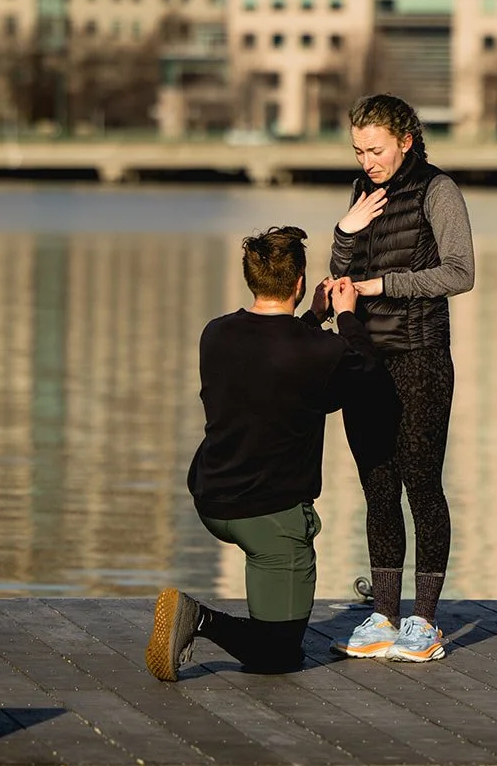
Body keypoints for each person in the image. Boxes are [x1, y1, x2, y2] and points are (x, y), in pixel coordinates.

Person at [146, 227, 376, 681]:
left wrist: (310, 320)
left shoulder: (215, 335)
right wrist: (346, 316)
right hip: (272, 517)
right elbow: (367, 374)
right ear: (298, 283)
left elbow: (274, 360)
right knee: (278, 656)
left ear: (251, 279)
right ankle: (198, 618)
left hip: (213, 500)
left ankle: (225, 616)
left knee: (274, 632)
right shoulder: (319, 351)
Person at [328, 93, 475, 664]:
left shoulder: (440, 191)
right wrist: (344, 232)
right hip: (366, 359)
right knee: (377, 486)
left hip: (421, 360)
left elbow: (460, 274)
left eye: (376, 149)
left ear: (406, 140)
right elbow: (348, 272)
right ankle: (384, 616)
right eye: (359, 150)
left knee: (421, 484)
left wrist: (382, 287)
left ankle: (425, 622)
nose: (367, 160)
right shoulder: (363, 191)